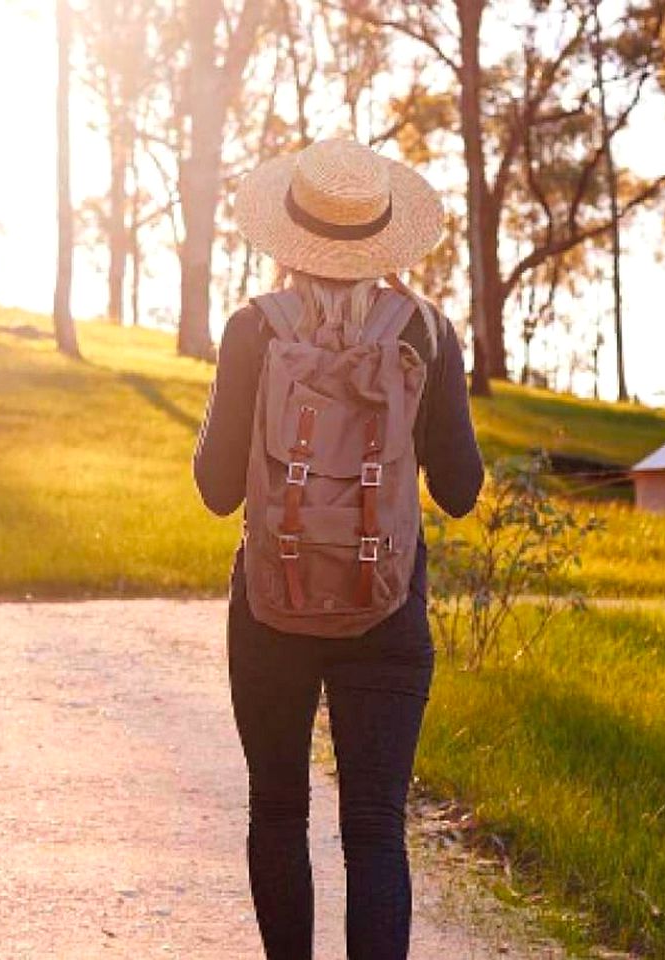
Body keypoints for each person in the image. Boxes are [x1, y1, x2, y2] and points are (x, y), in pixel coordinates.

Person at [192, 138, 484, 960]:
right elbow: (459, 492)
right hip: (386, 610)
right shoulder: (425, 332)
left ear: (289, 231)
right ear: (385, 235)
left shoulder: (253, 328)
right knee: (373, 829)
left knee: (278, 810)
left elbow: (217, 492)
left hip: (270, 607)